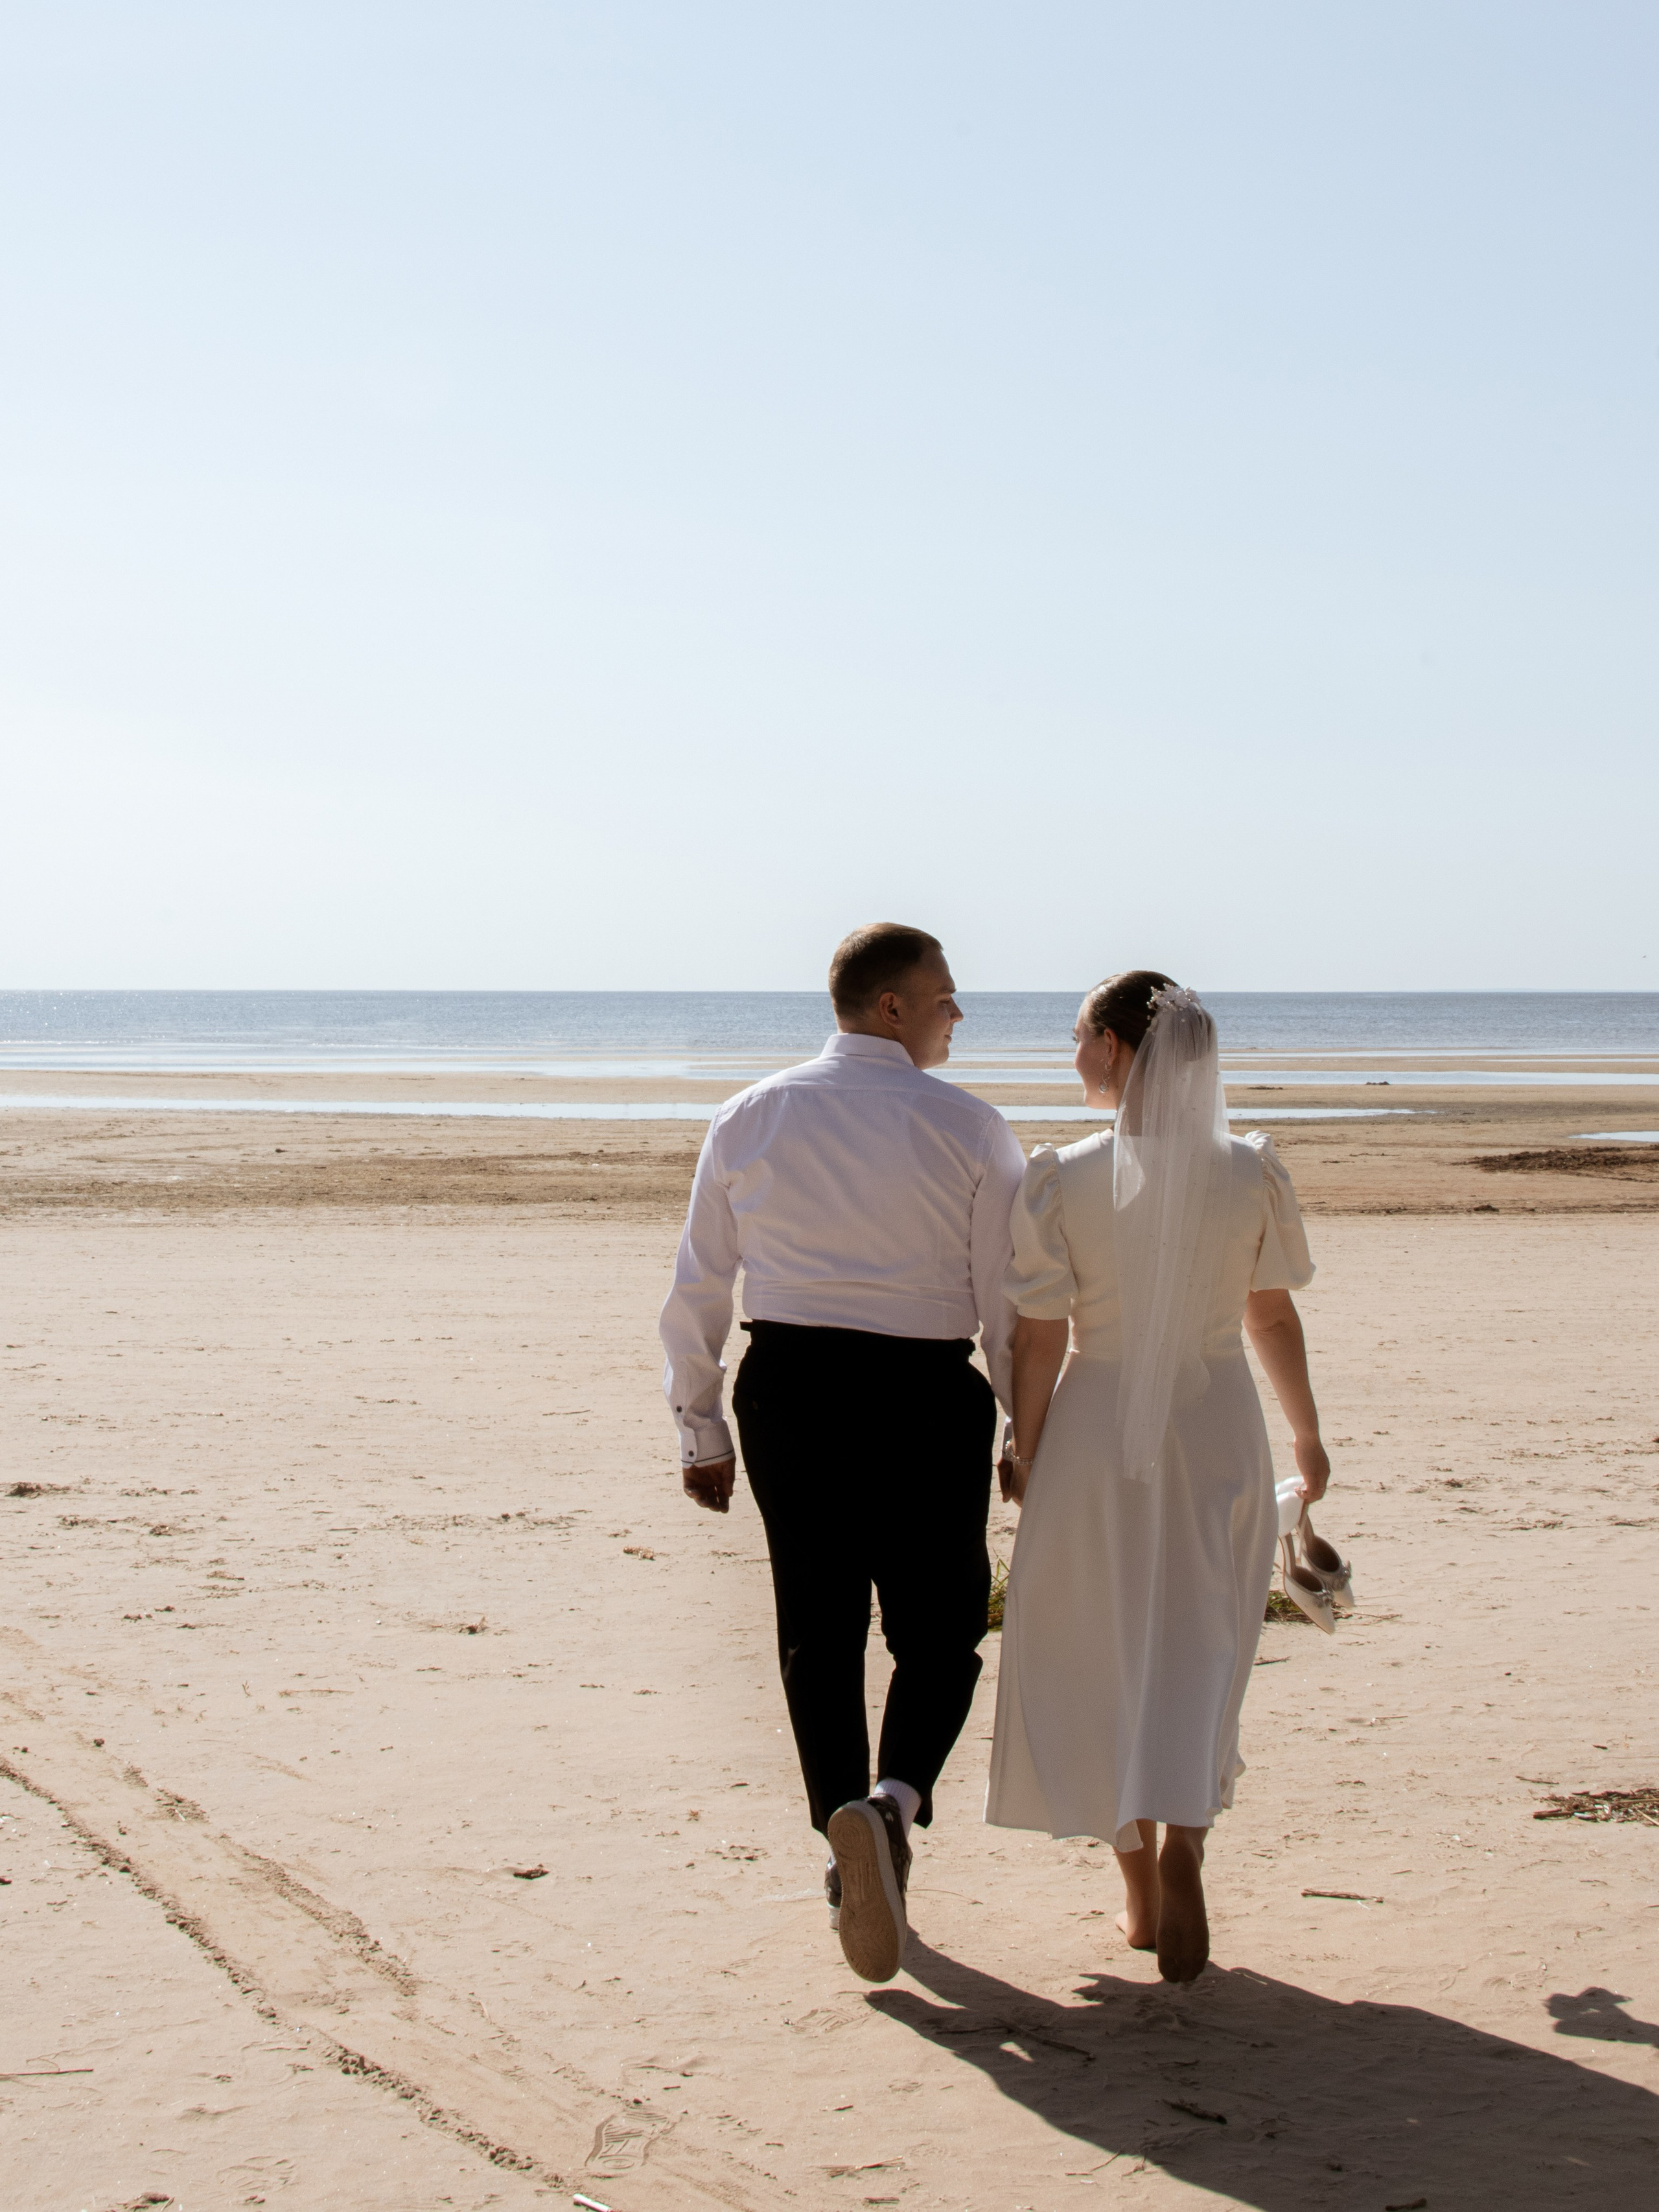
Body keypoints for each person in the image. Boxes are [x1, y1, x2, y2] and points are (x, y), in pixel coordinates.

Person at [660, 924, 1027, 1984]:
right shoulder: (972, 1127)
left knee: (817, 1630)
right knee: (943, 1625)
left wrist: (702, 1427)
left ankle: (843, 1844)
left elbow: (699, 1286)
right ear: (892, 1007)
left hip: (791, 1389)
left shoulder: (751, 1113)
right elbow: (1005, 1299)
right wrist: (1019, 1427)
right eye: (947, 998)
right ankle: (894, 1805)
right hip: (924, 1392)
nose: (959, 1013)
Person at [985, 971, 1331, 1983]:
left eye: (1080, 1035)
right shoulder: (1249, 1169)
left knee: (1100, 1644)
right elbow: (1272, 1315)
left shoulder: (1066, 1175)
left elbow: (1040, 1334)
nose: (1073, 1054)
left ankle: (1137, 1881)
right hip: (1219, 1419)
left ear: (1120, 1050)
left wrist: (1027, 1444)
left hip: (1097, 1422)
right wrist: (1307, 1436)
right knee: (1201, 1640)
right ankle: (1188, 1838)